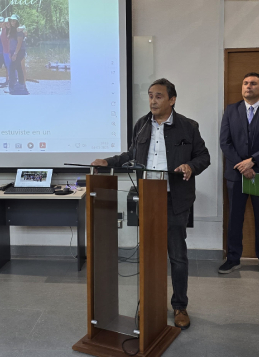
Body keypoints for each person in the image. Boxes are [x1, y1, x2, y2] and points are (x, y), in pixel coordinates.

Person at [90, 78, 210, 330]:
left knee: (177, 255)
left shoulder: (188, 126)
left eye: (158, 96)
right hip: (147, 197)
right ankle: (149, 303)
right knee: (148, 255)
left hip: (175, 198)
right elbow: (131, 156)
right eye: (150, 96)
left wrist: (191, 165)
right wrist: (108, 162)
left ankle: (180, 306)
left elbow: (203, 156)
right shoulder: (142, 125)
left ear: (172, 99)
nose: (153, 101)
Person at [218, 72, 259, 277]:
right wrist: (242, 166)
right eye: (245, 83)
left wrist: (253, 161)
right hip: (236, 175)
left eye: (253, 83)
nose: (248, 86)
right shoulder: (231, 110)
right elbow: (225, 142)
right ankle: (232, 259)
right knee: (234, 217)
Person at [7, 15, 28, 94]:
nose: (12, 22)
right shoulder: (12, 30)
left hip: (19, 51)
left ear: (17, 21)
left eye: (14, 21)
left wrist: (15, 54)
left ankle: (11, 87)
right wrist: (10, 52)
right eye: (11, 20)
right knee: (19, 68)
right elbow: (10, 42)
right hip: (13, 51)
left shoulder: (19, 30)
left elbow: (19, 43)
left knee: (12, 68)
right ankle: (21, 85)